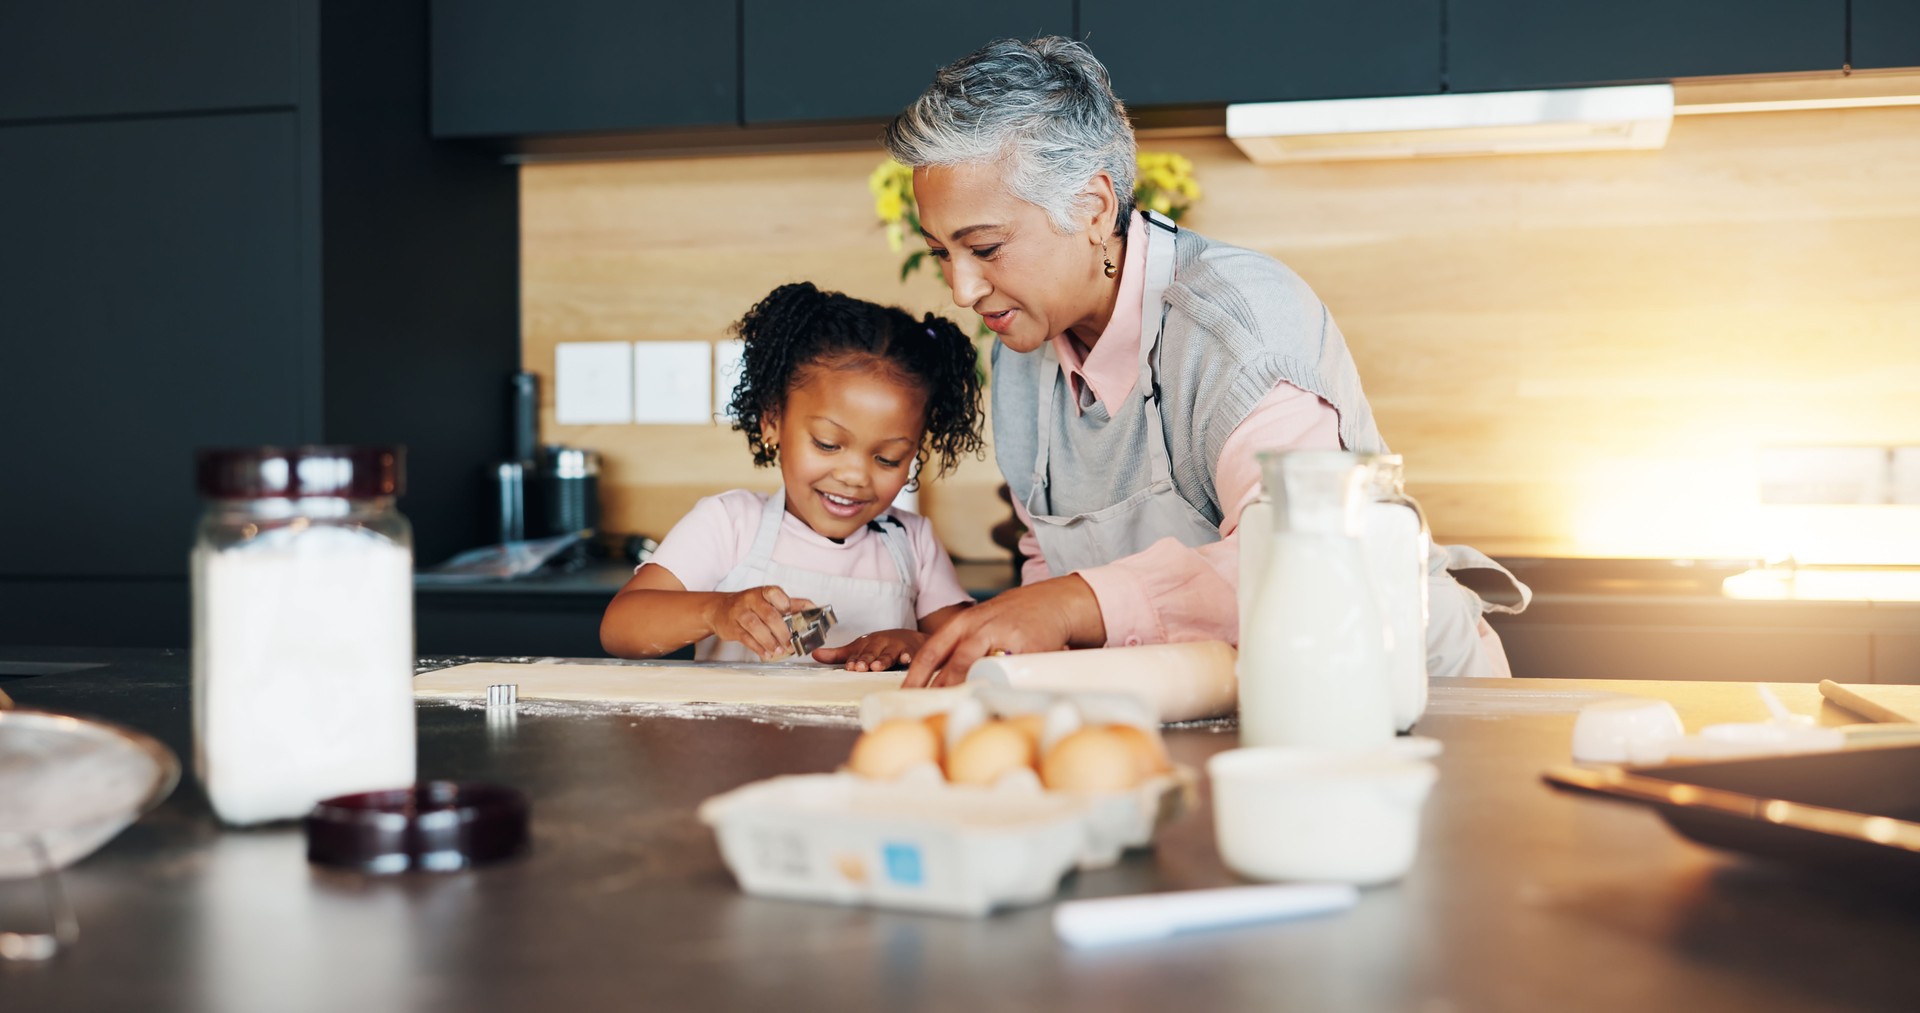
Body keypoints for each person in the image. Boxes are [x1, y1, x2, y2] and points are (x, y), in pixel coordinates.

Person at [883, 37, 1528, 689]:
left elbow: (1303, 559)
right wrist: (987, 647)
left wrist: (1072, 604)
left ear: (1094, 208)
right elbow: (1046, 564)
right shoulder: (1023, 352)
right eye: (941, 252)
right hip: (1232, 698)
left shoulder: (1238, 324)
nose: (962, 290)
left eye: (986, 249)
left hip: (1404, 691)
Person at [600, 282, 986, 669]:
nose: (854, 476)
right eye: (827, 444)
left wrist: (917, 642)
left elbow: (975, 648)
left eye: (888, 459)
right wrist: (717, 611)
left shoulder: (913, 544)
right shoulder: (729, 524)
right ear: (772, 421)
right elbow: (620, 628)